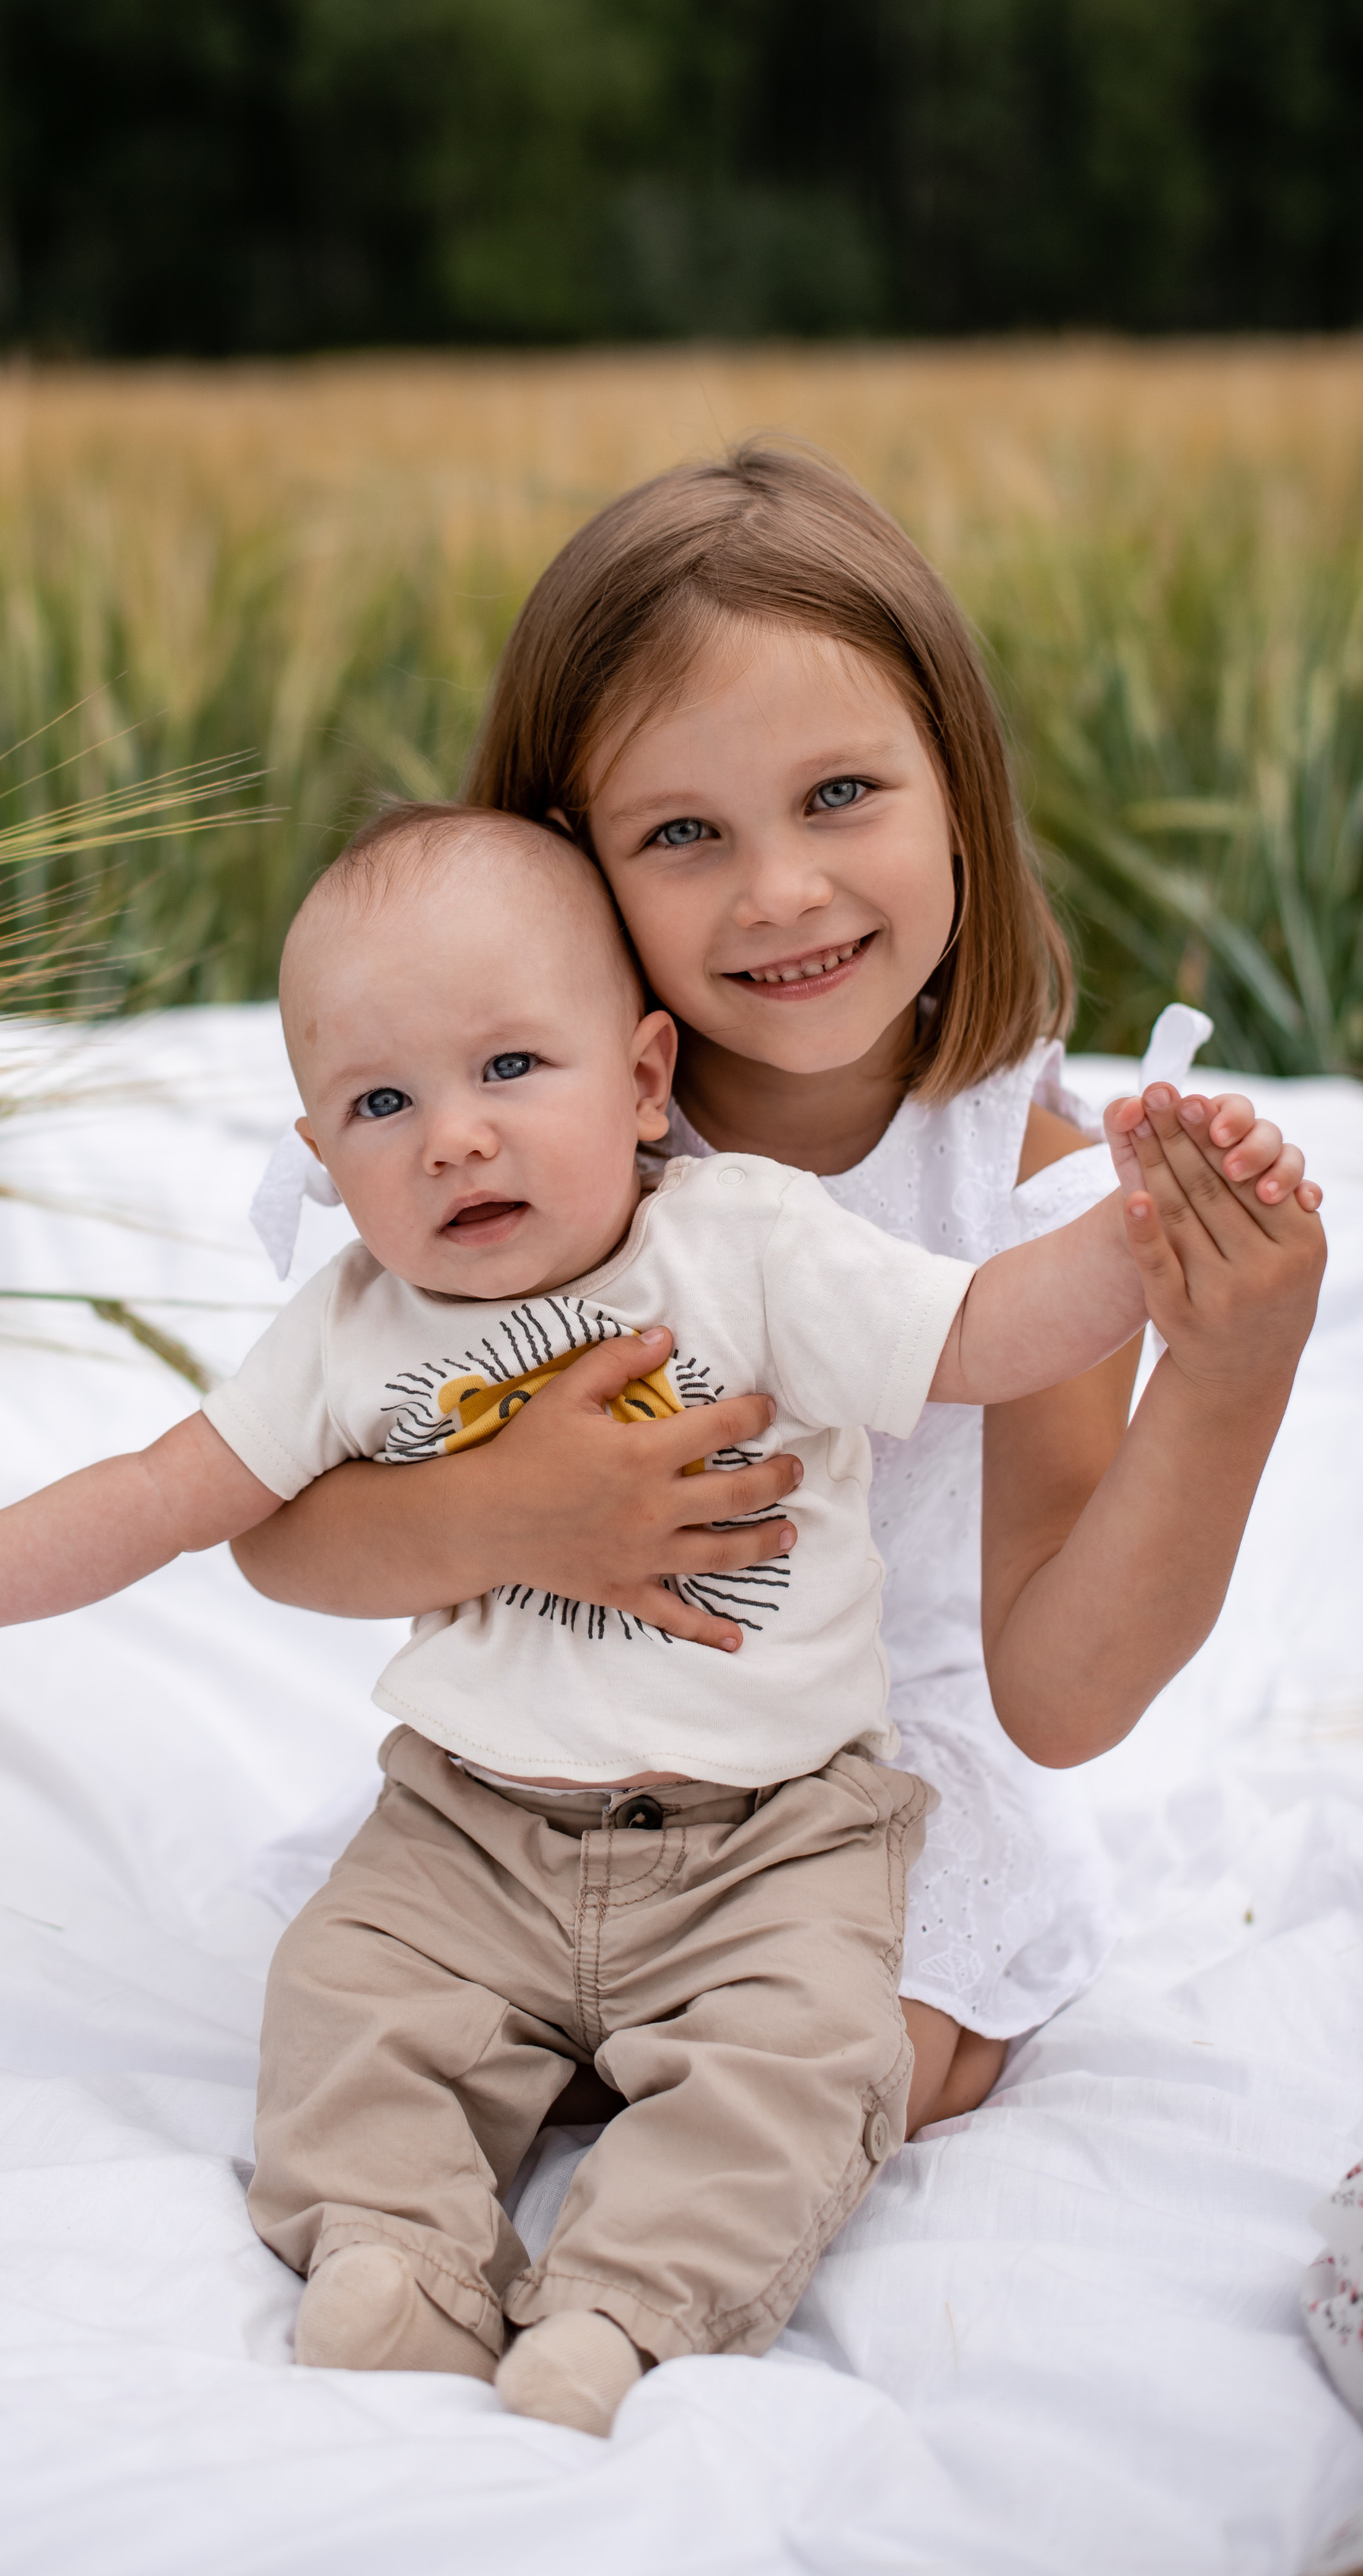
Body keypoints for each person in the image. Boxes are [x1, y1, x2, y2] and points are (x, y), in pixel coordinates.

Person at [0, 802, 1321, 2435]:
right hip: (465, 1833)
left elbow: (980, 1331)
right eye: (382, 1104)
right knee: (342, 2010)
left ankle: (623, 2312)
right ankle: (394, 2258)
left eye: (510, 1069)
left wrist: (1135, 1232)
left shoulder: (742, 1246)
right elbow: (164, 1495)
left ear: (643, 1081)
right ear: (321, 1160)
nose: (451, 1136)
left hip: (772, 1836)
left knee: (804, 2067)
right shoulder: (351, 1331)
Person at [230, 442, 1327, 2145]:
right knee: (396, 2027)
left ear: (953, 787)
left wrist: (1223, 1365)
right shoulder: (509, 1162)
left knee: (855, 2055)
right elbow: (279, 1532)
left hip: (868, 1769)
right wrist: (509, 1513)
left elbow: (1059, 1694)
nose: (780, 891)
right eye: (682, 832)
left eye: (839, 797)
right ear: (568, 863)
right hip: (565, 1771)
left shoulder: (1019, 1184)